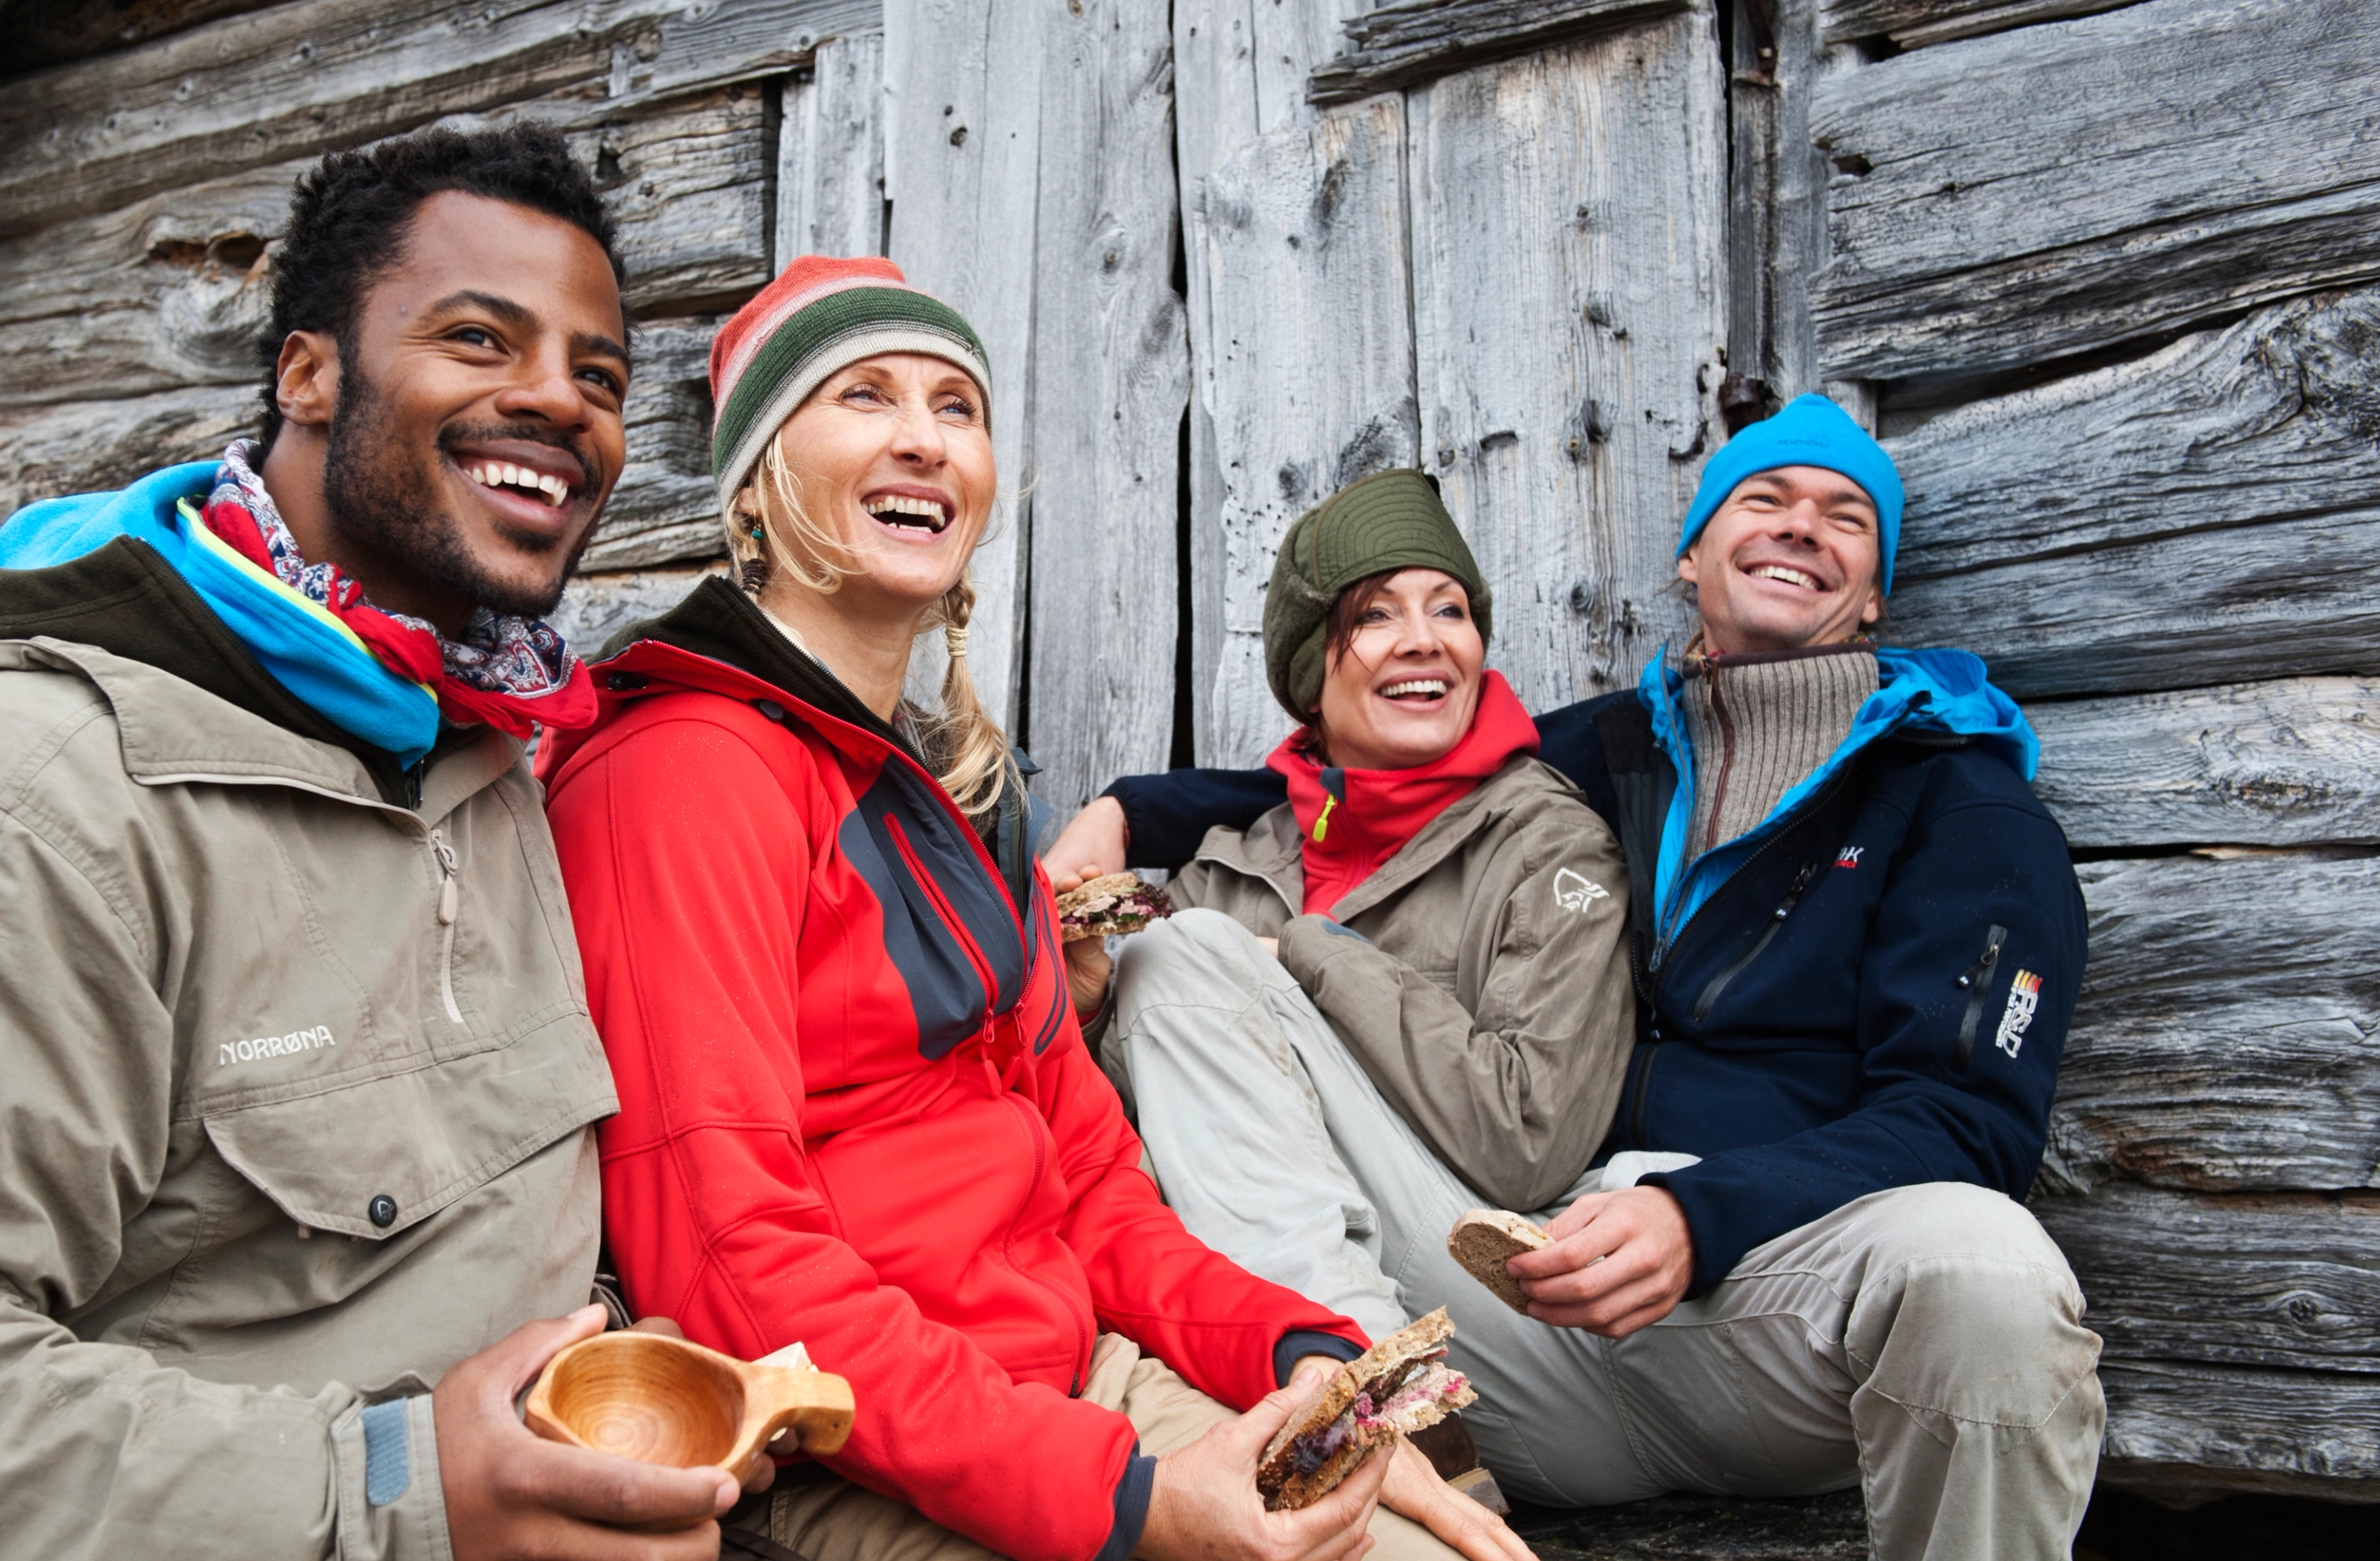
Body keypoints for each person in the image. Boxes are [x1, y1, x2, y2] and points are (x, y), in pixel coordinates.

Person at [0, 124, 763, 1561]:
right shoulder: (15, 795)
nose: (556, 403)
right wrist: (408, 1497)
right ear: (308, 373)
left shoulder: (477, 748)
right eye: (478, 338)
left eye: (599, 375)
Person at [536, 258, 1531, 1561]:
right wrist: (1129, 1506)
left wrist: (1303, 1353)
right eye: (863, 397)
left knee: (1442, 1539)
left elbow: (1092, 1183)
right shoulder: (682, 773)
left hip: (1071, 1388)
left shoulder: (957, 807)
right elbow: (732, 1261)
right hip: (857, 1450)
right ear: (758, 489)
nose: (922, 437)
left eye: (958, 406)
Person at [1059, 396, 2103, 1561]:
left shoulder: (1964, 811)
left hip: (1775, 1312)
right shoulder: (1615, 750)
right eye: (1764, 499)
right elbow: (1363, 766)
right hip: (1523, 1300)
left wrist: (1700, 1217)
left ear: (1872, 594)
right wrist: (1127, 810)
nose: (1802, 526)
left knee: (1991, 1271)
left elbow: (1970, 1124)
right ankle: (1376, 1439)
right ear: (1693, 556)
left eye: (1845, 517)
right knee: (1185, 954)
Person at [1060, 468, 1642, 1378]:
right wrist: (1093, 1013)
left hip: (1476, 1302)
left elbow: (1527, 1139)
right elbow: (1133, 1152)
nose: (1424, 642)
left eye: (1449, 611)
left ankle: (1362, 1390)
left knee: (1186, 956)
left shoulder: (1552, 847)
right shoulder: (1230, 864)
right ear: (1307, 671)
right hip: (1252, 1318)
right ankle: (1334, 1384)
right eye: (1374, 616)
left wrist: (1307, 954)